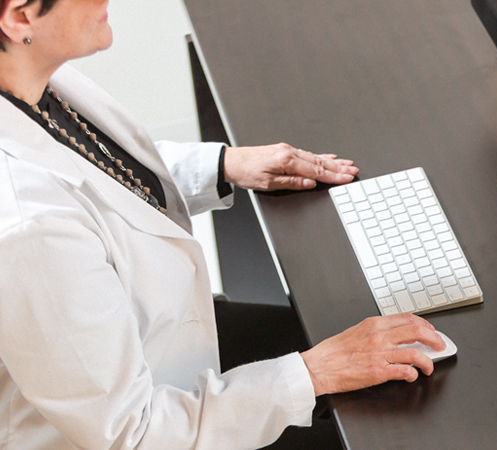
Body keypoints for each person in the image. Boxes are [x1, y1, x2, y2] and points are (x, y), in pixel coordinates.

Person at [0, 0, 446, 448]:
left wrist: (223, 165)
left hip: (162, 345)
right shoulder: (27, 227)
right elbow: (131, 435)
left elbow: (91, 165)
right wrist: (315, 372)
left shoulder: (25, 80)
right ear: (19, 17)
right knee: (410, 429)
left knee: (393, 351)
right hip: (150, 426)